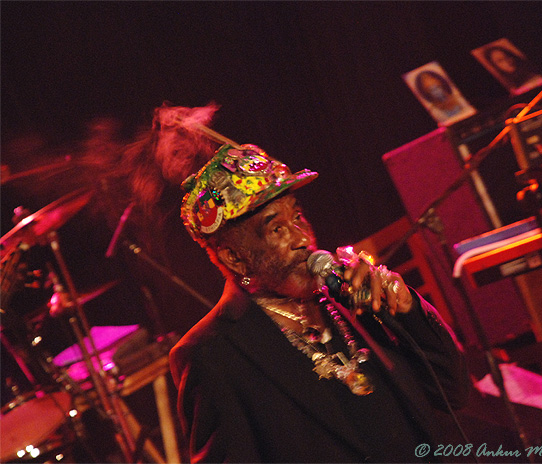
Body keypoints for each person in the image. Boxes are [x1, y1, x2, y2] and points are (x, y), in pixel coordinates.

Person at [169, 141, 470, 463]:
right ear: (235, 258)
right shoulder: (212, 356)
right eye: (277, 228)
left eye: (298, 216)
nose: (302, 237)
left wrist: (407, 307)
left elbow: (452, 393)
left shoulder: (350, 298)